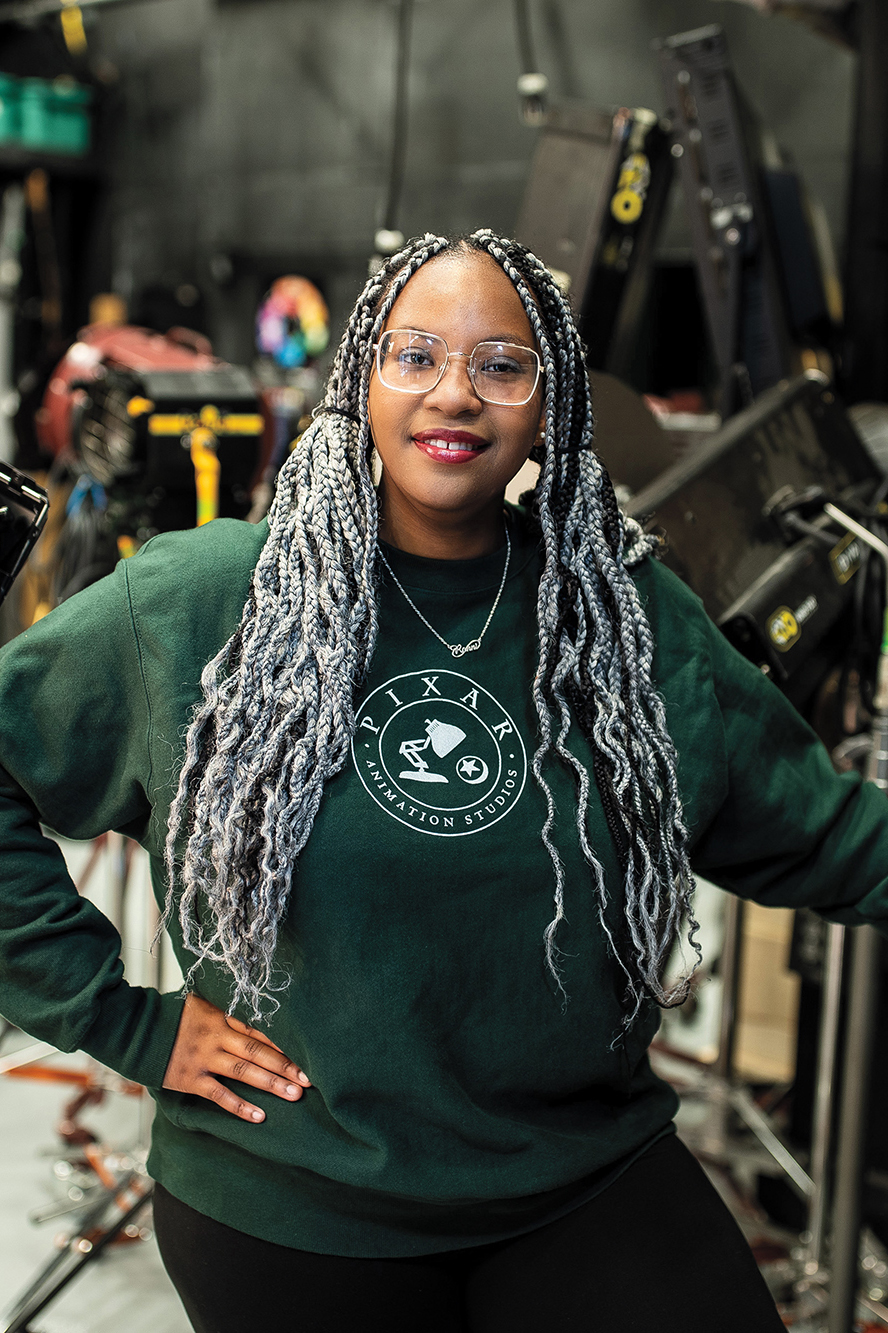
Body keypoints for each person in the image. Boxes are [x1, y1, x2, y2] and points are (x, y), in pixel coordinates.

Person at [1, 229, 887, 1333]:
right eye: (414, 356)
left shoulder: (625, 619)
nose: (453, 396)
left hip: (581, 1172)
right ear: (361, 377)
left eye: (500, 364)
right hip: (295, 1199)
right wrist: (122, 1022)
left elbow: (821, 830)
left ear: (549, 400)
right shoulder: (202, 603)